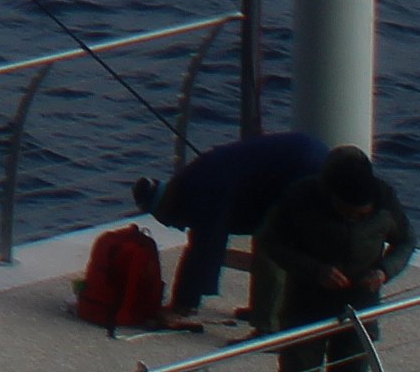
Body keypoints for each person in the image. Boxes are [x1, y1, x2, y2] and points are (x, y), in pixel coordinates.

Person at [133, 132, 324, 333]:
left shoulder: (201, 193)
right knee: (267, 232)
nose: (176, 226)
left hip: (301, 168)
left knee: (271, 244)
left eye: (168, 220)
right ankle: (265, 308)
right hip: (302, 158)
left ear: (168, 208)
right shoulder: (192, 180)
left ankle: (266, 329)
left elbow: (205, 248)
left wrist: (181, 306)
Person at [249, 141, 412, 369]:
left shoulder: (386, 201)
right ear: (330, 194)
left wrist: (384, 271)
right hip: (305, 305)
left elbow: (406, 241)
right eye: (346, 212)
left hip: (360, 306)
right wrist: (316, 271)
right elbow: (270, 241)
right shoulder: (300, 197)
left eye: (361, 216)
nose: (352, 219)